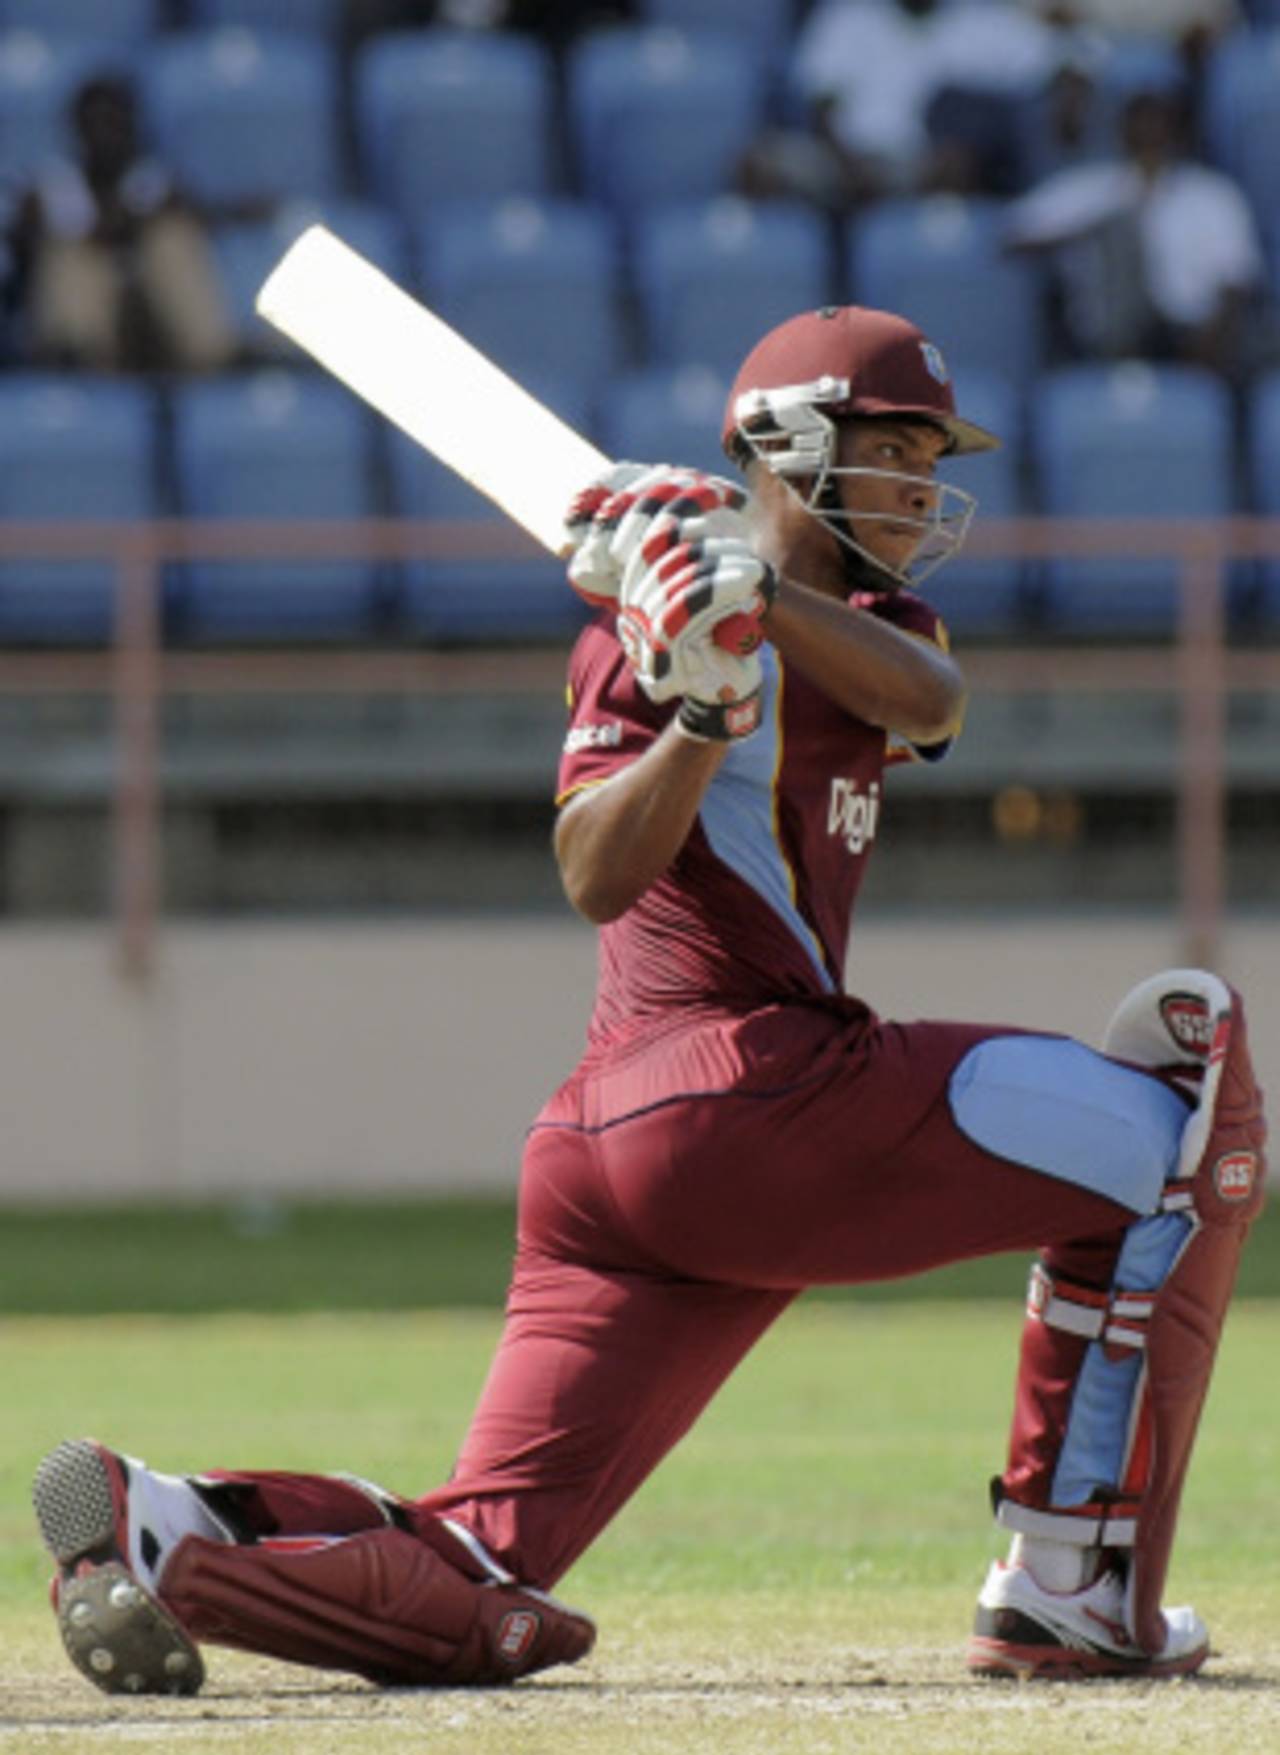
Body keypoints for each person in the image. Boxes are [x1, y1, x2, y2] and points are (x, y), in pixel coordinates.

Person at [33, 305, 1266, 1695]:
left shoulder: (860, 623)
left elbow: (934, 696)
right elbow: (595, 871)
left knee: (488, 1576)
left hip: (615, 1163)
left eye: (934, 456)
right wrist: (698, 714)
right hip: (753, 1097)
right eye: (895, 452)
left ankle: (173, 1530)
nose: (924, 488)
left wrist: (761, 603)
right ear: (789, 448)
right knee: (1188, 1104)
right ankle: (1072, 1585)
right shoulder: (647, 630)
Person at [1003, 88, 1266, 379]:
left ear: (1178, 136)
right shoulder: (1091, 188)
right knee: (1116, 230)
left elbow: (1238, 281)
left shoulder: (1212, 195)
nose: (1149, 139)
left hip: (1193, 337)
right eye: (1140, 130)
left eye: (1158, 130)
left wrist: (1207, 346)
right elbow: (1014, 237)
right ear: (1122, 133)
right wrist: (1083, 233)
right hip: (1105, 339)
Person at [2, 73, 236, 375]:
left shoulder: (159, 185)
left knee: (172, 240)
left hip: (153, 328)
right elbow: (19, 252)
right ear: (77, 128)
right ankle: (78, 363)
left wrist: (146, 223)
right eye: (95, 124)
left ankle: (214, 354)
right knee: (70, 256)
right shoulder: (46, 190)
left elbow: (205, 224)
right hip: (79, 332)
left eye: (114, 123)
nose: (105, 136)